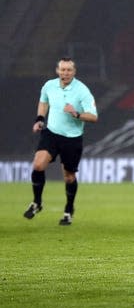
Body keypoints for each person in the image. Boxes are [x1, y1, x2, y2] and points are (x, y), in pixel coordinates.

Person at [23, 57, 98, 226]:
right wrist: (40, 119)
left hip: (72, 138)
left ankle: (69, 209)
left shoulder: (82, 91)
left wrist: (77, 114)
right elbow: (44, 102)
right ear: (57, 71)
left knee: (69, 177)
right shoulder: (49, 85)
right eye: (62, 70)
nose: (65, 73)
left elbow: (93, 116)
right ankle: (37, 203)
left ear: (74, 72)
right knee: (38, 165)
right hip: (51, 133)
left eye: (69, 70)